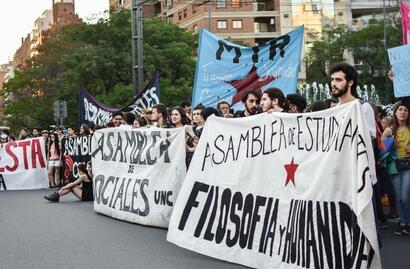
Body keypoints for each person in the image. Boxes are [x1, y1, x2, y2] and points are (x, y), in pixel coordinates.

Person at [382, 101, 410, 235]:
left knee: (405, 196)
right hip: (394, 165)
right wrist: (390, 145)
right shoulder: (389, 130)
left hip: (408, 164)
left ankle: (408, 222)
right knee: (398, 197)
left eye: (405, 110)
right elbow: (381, 149)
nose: (403, 112)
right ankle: (403, 223)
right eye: (400, 110)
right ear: (395, 113)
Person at [329, 63, 376, 139]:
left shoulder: (363, 107)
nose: (333, 84)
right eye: (332, 79)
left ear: (350, 82)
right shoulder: (334, 109)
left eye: (338, 80)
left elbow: (370, 139)